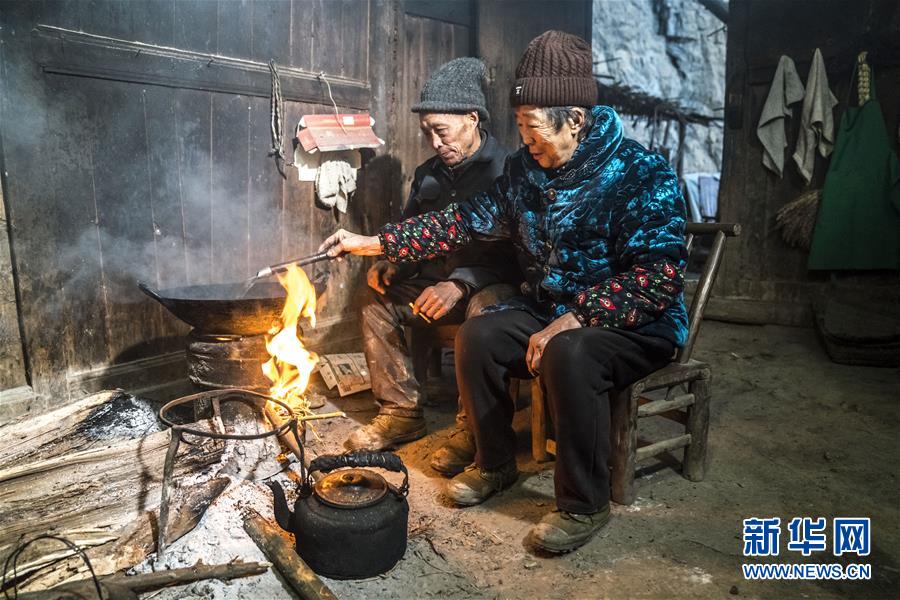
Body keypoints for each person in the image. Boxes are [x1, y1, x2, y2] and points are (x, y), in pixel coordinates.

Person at [320, 30, 687, 553]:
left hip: (634, 323)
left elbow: (660, 277)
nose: (526, 140)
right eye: (519, 127)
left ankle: (584, 504)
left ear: (575, 121)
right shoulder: (524, 171)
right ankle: (494, 464)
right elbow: (464, 220)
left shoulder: (641, 174)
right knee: (482, 334)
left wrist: (577, 316)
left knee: (569, 351)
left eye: (534, 128)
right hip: (553, 311)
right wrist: (375, 243)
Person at [346, 57, 521, 472]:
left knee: (487, 311)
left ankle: (472, 426)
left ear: (472, 119)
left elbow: (519, 257)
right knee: (374, 298)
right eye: (427, 133)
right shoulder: (429, 175)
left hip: (490, 287)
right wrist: (397, 266)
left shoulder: (509, 170)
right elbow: (412, 235)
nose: (434, 142)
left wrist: (461, 283)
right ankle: (402, 413)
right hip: (431, 287)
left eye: (441, 131)